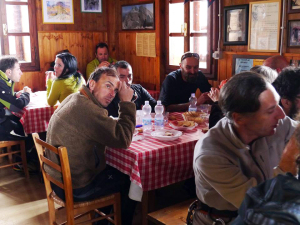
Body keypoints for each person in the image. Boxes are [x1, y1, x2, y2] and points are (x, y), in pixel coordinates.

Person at [193, 72, 298, 225]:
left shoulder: (276, 125)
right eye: (270, 110)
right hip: (225, 220)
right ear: (239, 118)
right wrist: (287, 164)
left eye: (278, 105)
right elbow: (260, 206)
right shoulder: (210, 154)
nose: (281, 115)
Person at [45, 67, 137, 224]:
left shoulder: (76, 98)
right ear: (92, 84)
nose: (112, 94)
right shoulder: (88, 109)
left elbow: (95, 125)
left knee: (115, 170)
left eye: (115, 90)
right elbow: (124, 139)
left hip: (56, 179)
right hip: (76, 187)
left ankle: (101, 220)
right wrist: (126, 102)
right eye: (107, 85)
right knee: (130, 179)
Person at [0, 56, 31, 140]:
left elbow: (5, 98)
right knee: (28, 136)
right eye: (18, 69)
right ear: (9, 72)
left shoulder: (3, 79)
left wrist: (16, 94)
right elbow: (16, 107)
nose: (21, 73)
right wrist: (26, 94)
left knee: (20, 124)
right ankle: (29, 150)